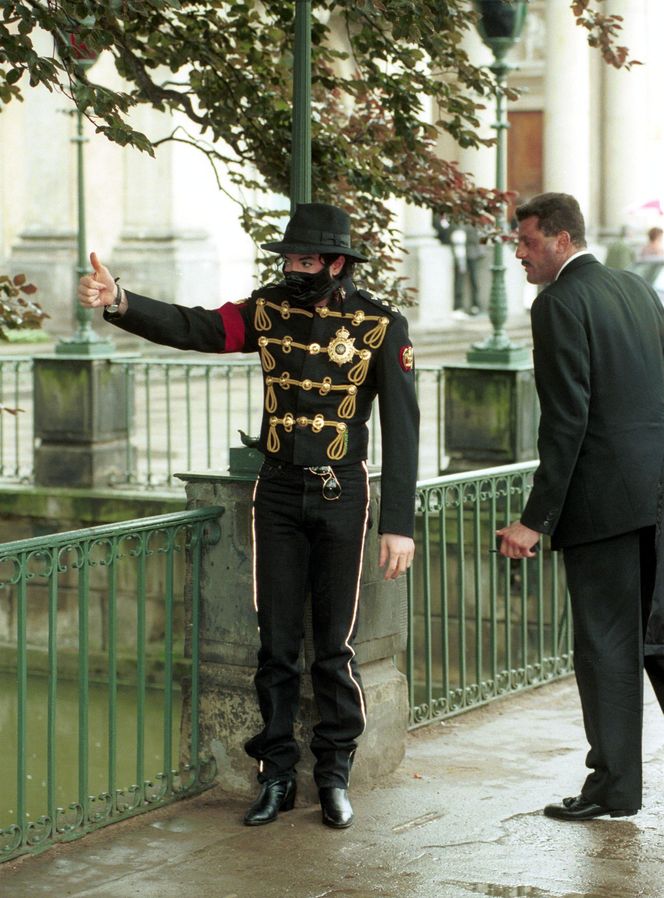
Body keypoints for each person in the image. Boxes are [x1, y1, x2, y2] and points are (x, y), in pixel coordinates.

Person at [78, 202, 420, 830]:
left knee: (334, 646)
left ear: (337, 263)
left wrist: (400, 522)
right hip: (279, 493)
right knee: (277, 644)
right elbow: (196, 327)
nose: (294, 268)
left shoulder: (379, 324)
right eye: (289, 257)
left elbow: (404, 430)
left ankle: (335, 772)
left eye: (306, 259)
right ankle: (278, 774)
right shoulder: (264, 310)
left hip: (344, 493)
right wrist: (121, 300)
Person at [496, 192, 664, 822]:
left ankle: (613, 788)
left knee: (607, 648)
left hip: (604, 508)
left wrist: (533, 521)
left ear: (562, 239)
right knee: (659, 642)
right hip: (657, 493)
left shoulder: (558, 303)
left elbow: (567, 423)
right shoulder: (636, 289)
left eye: (528, 241)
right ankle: (614, 784)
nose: (519, 253)